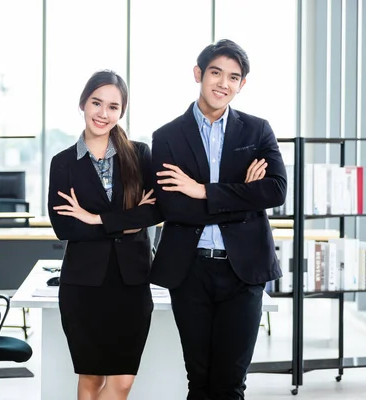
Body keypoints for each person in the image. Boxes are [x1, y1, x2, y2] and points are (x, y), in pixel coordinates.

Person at [150, 39, 287, 399]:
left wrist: (202, 190)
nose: (223, 83)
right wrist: (241, 193)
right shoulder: (166, 137)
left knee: (230, 383)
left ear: (242, 85)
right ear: (198, 74)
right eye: (215, 73)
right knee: (199, 380)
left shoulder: (257, 131)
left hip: (243, 273)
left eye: (233, 77)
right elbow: (172, 207)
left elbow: (275, 191)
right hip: (190, 271)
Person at [47, 70, 163, 400]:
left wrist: (94, 218)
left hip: (132, 282)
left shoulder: (140, 156)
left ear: (121, 112)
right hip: (83, 285)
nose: (103, 113)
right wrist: (128, 221)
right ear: (83, 103)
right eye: (97, 103)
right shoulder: (64, 163)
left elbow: (156, 211)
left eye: (113, 106)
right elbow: (65, 227)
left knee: (123, 380)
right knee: (91, 378)